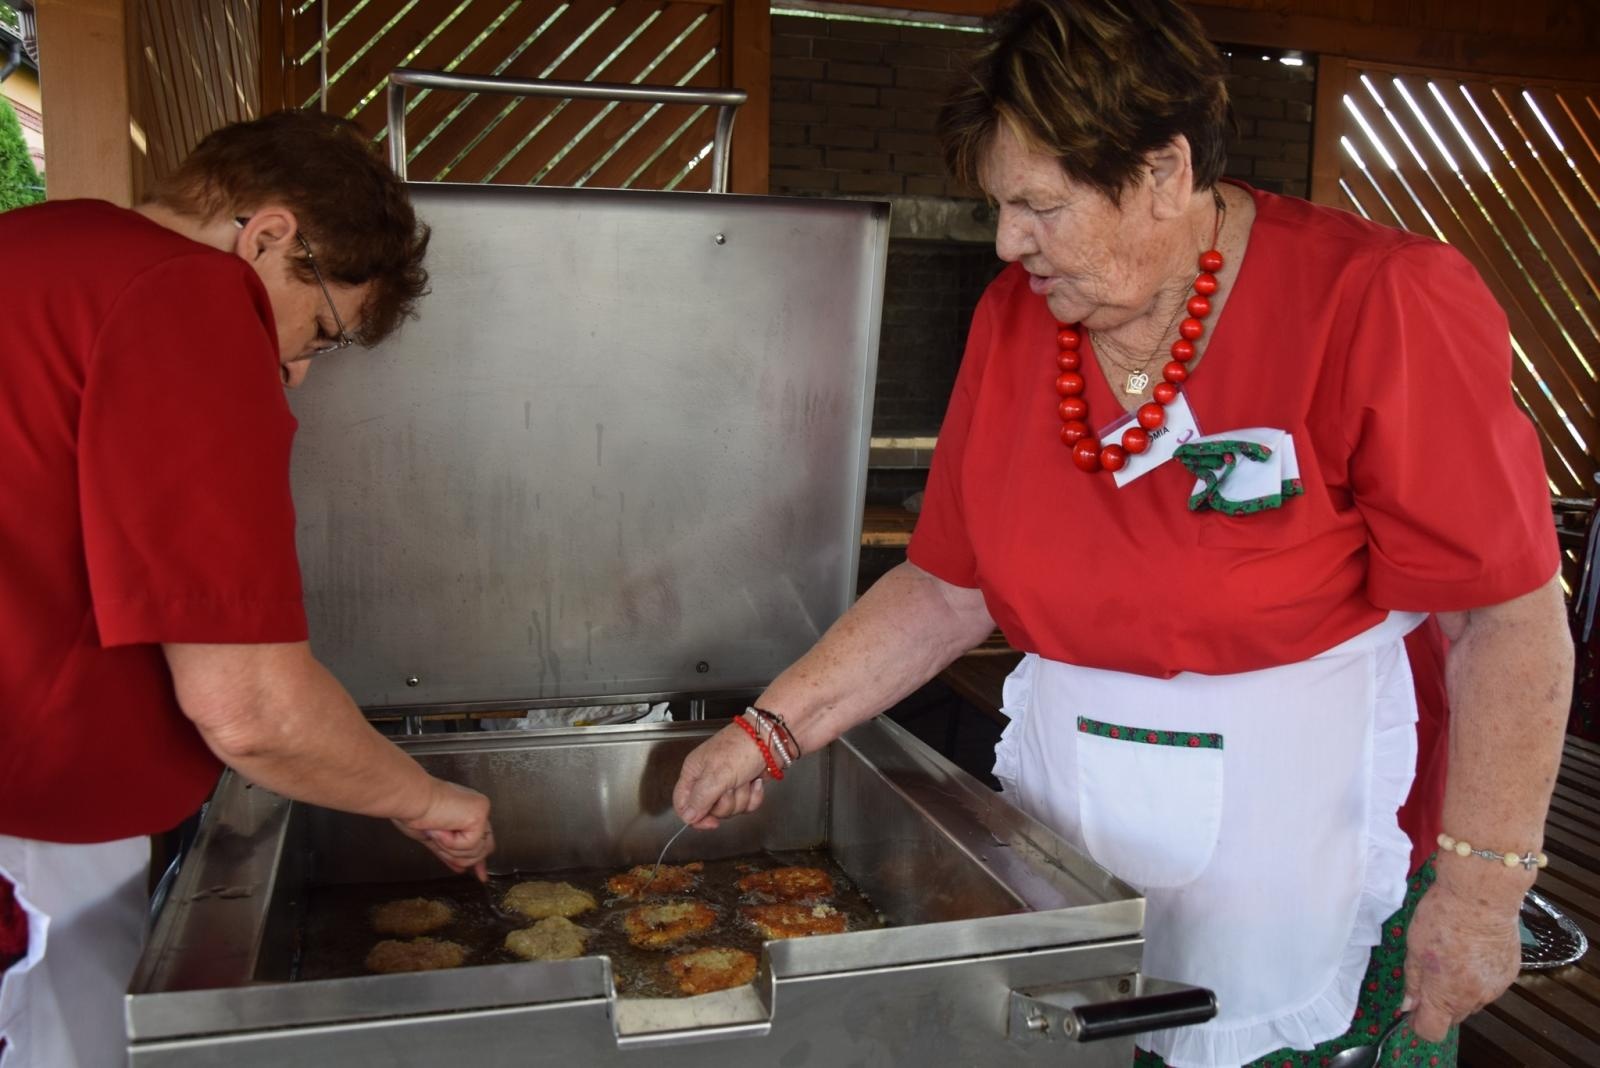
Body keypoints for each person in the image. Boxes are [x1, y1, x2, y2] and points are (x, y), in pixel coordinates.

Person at [671, 2, 1573, 1065]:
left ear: (1162, 173)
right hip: (1073, 828)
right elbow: (948, 587)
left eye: (1038, 206)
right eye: (999, 206)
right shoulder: (1017, 318)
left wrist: (1479, 893)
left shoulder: (1377, 300)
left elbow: (1504, 621)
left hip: (1307, 844)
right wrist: (772, 727)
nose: (1008, 241)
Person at [0, 110, 497, 1068]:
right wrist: (422, 797)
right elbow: (252, 710)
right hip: (25, 833)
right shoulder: (186, 294)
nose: (300, 372)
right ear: (269, 236)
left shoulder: (38, 246)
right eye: (321, 328)